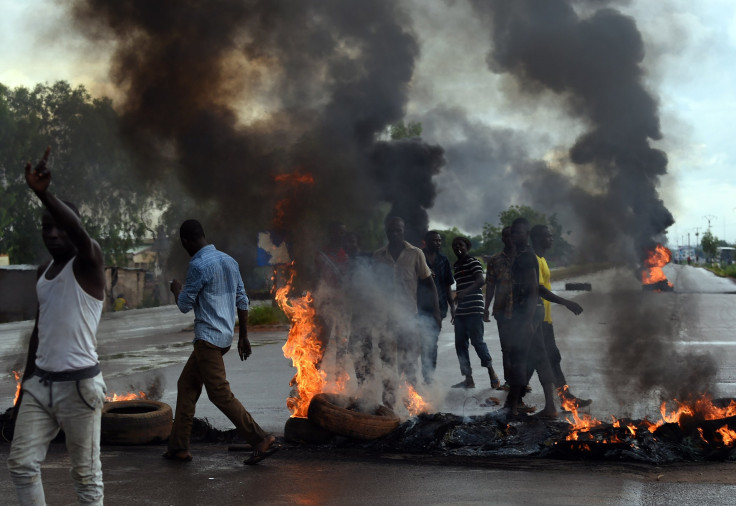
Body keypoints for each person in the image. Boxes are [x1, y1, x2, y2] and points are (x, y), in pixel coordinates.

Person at [8, 147, 107, 505]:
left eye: (58, 228)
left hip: (80, 388)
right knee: (20, 466)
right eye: (45, 228)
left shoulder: (88, 264)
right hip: (40, 387)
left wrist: (43, 194)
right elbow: (39, 332)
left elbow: (78, 232)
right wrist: (22, 396)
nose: (52, 234)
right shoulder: (42, 274)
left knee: (86, 478)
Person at [166, 219, 278, 465]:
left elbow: (184, 305)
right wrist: (244, 336)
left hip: (208, 340)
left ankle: (259, 438)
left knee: (219, 394)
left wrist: (176, 289)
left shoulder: (197, 265)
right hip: (224, 338)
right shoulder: (229, 261)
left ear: (186, 241)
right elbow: (242, 300)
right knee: (186, 386)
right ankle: (178, 448)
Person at [373, 217, 440, 408]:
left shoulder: (415, 254)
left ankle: (413, 405)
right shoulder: (378, 256)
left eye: (398, 231)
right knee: (386, 362)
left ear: (403, 231)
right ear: (386, 231)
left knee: (410, 362)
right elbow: (373, 286)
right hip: (386, 319)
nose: (395, 234)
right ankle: (388, 405)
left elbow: (429, 283)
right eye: (391, 231)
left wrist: (436, 312)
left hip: (409, 317)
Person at [530, 225, 591, 409]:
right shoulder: (534, 259)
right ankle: (515, 403)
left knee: (552, 359)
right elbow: (539, 289)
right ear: (538, 238)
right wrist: (567, 302)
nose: (551, 239)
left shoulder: (542, 259)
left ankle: (566, 398)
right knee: (541, 361)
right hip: (536, 320)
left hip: (545, 319)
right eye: (547, 236)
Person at [505, 217, 557, 418]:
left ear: (527, 235)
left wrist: (527, 320)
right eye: (511, 233)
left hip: (528, 313)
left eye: (517, 233)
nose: (513, 236)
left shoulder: (526, 257)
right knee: (540, 358)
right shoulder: (522, 255)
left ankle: (512, 408)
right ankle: (549, 407)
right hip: (530, 312)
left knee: (519, 359)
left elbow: (534, 289)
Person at [450, 236, 499, 389]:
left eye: (461, 245)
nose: (459, 247)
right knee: (460, 345)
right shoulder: (456, 265)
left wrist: (465, 292)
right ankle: (468, 379)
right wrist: (457, 301)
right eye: (456, 245)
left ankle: (492, 373)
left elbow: (480, 281)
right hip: (462, 311)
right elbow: (459, 287)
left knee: (477, 342)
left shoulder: (473, 262)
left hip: (475, 308)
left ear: (467, 247)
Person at [418, 231, 455, 384]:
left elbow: (447, 285)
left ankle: (428, 376)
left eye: (439, 241)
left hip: (438, 308)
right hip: (419, 306)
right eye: (434, 240)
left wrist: (452, 305)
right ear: (426, 241)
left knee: (432, 342)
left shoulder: (443, 260)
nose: (438, 243)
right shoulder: (419, 257)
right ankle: (414, 376)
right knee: (419, 341)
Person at [483, 226, 515, 391]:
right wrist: (486, 307)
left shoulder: (524, 258)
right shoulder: (495, 260)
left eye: (512, 236)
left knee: (522, 347)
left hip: (521, 309)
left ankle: (522, 381)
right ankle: (509, 381)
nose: (509, 239)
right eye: (506, 236)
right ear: (502, 239)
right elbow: (490, 286)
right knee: (506, 347)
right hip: (502, 310)